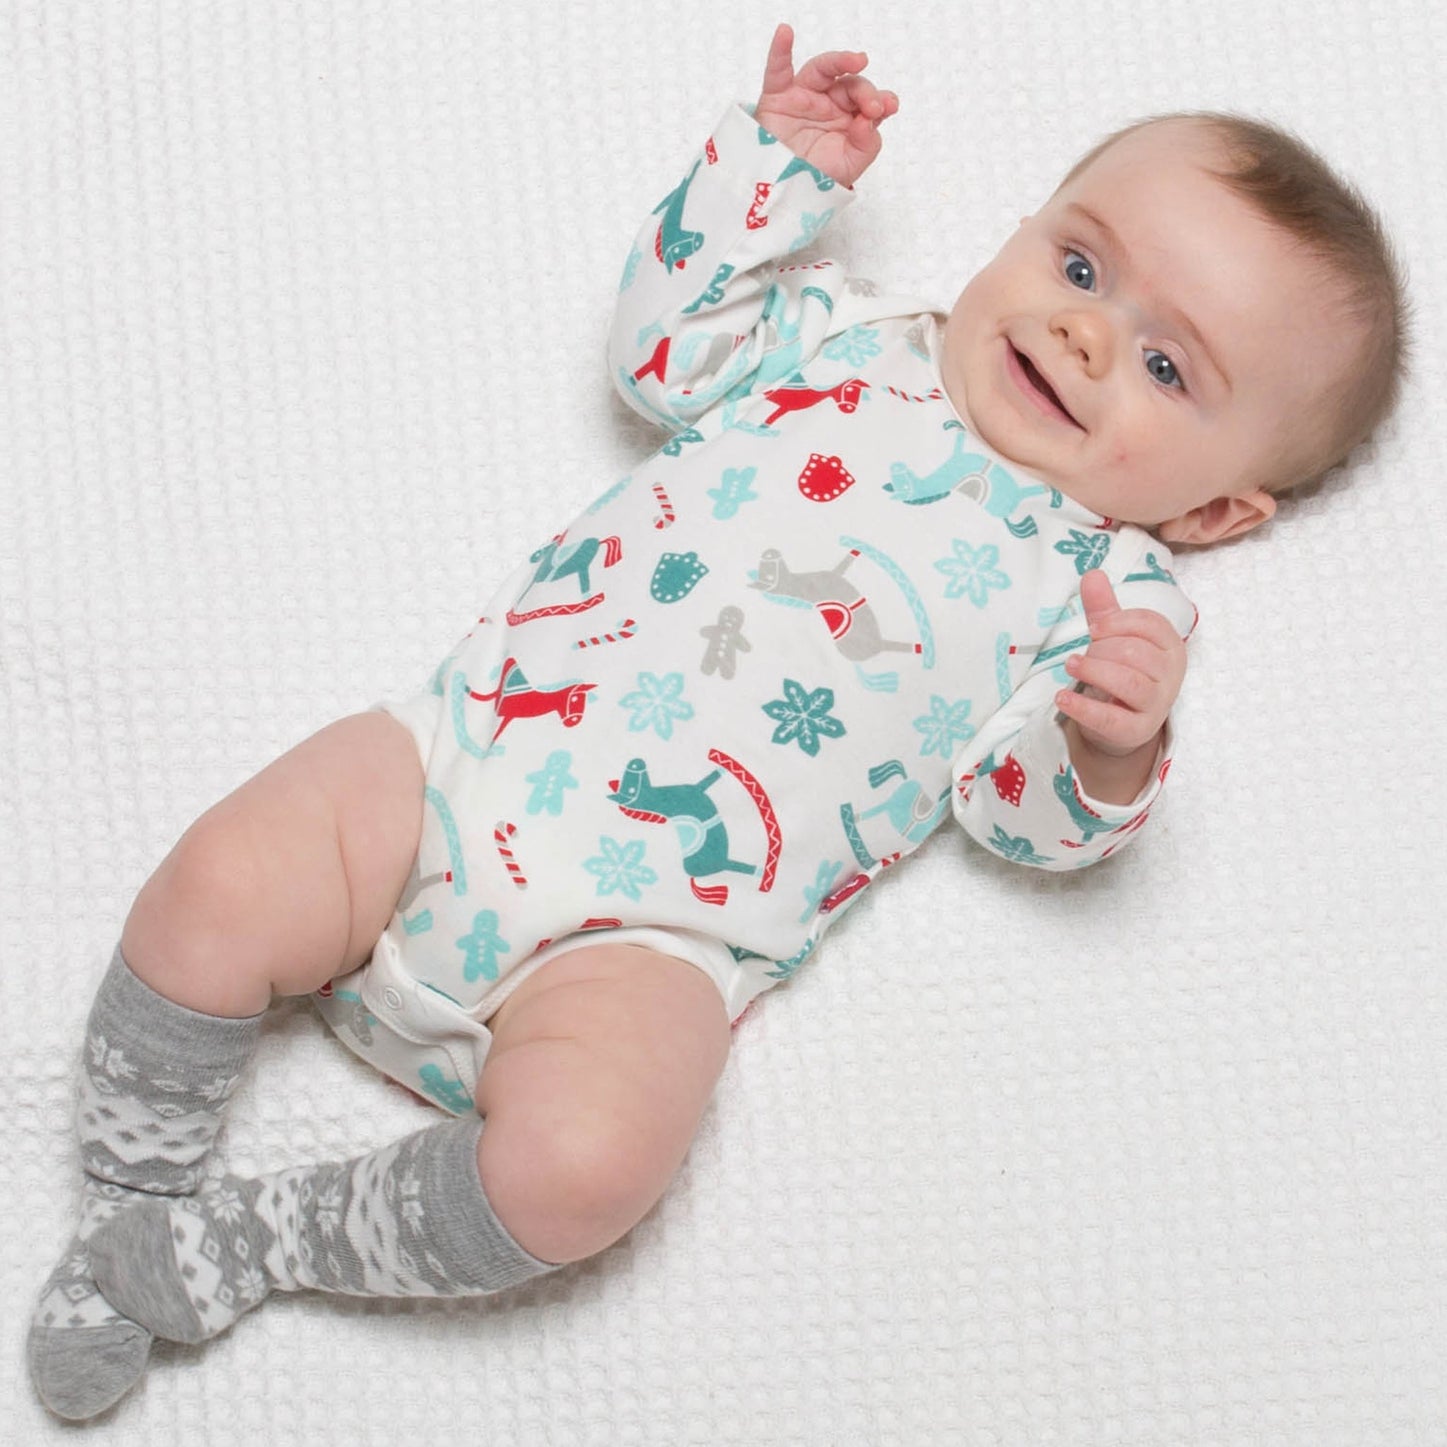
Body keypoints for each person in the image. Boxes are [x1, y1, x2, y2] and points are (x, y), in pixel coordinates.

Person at [28, 21, 1407, 1420]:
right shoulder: (851, 334)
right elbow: (660, 359)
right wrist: (769, 175)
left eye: (1168, 370)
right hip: (464, 757)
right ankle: (128, 1209)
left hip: (658, 933)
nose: (1085, 334)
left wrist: (1110, 748)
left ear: (1216, 512)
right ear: (1023, 228)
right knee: (219, 885)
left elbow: (1016, 814)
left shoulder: (1109, 596)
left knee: (586, 1170)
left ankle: (251, 1245)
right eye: (1081, 266)